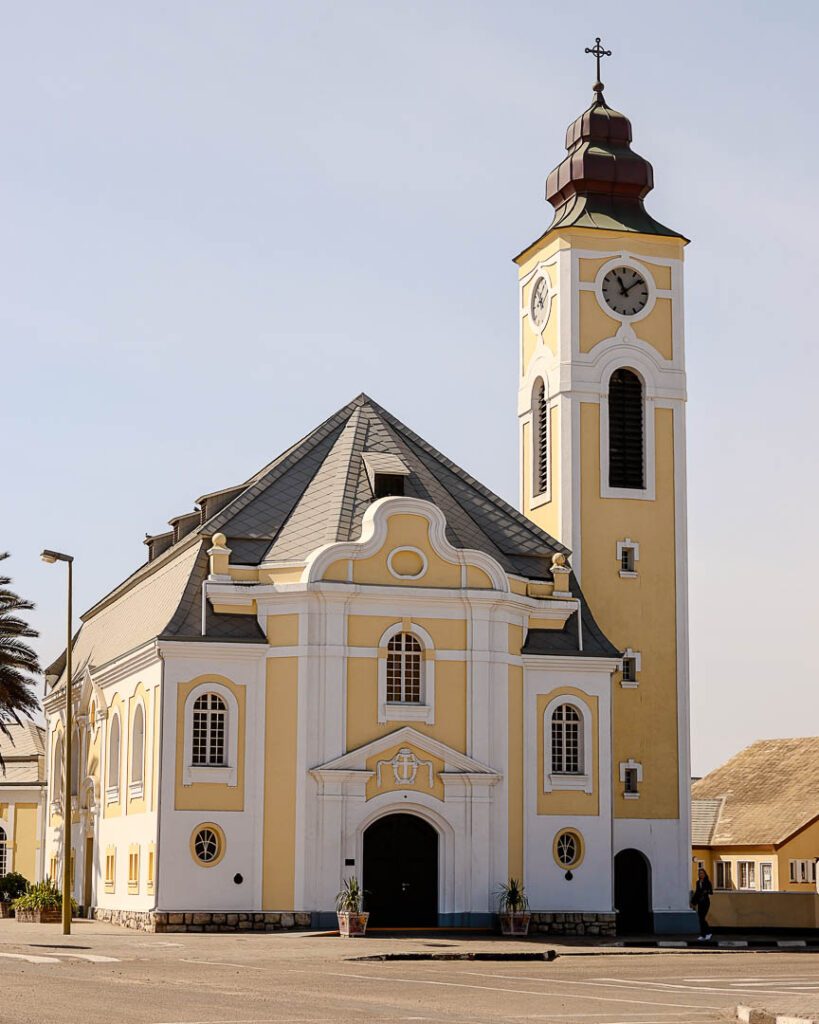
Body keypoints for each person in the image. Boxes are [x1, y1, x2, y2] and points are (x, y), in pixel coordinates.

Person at [691, 867, 713, 940]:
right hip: (700, 902)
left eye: (702, 873)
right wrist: (693, 902)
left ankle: (708, 933)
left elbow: (711, 891)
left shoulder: (707, 882)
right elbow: (697, 892)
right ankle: (703, 935)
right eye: (699, 873)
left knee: (702, 918)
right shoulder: (698, 882)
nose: (701, 875)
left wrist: (705, 891)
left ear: (705, 874)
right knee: (700, 919)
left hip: (705, 902)